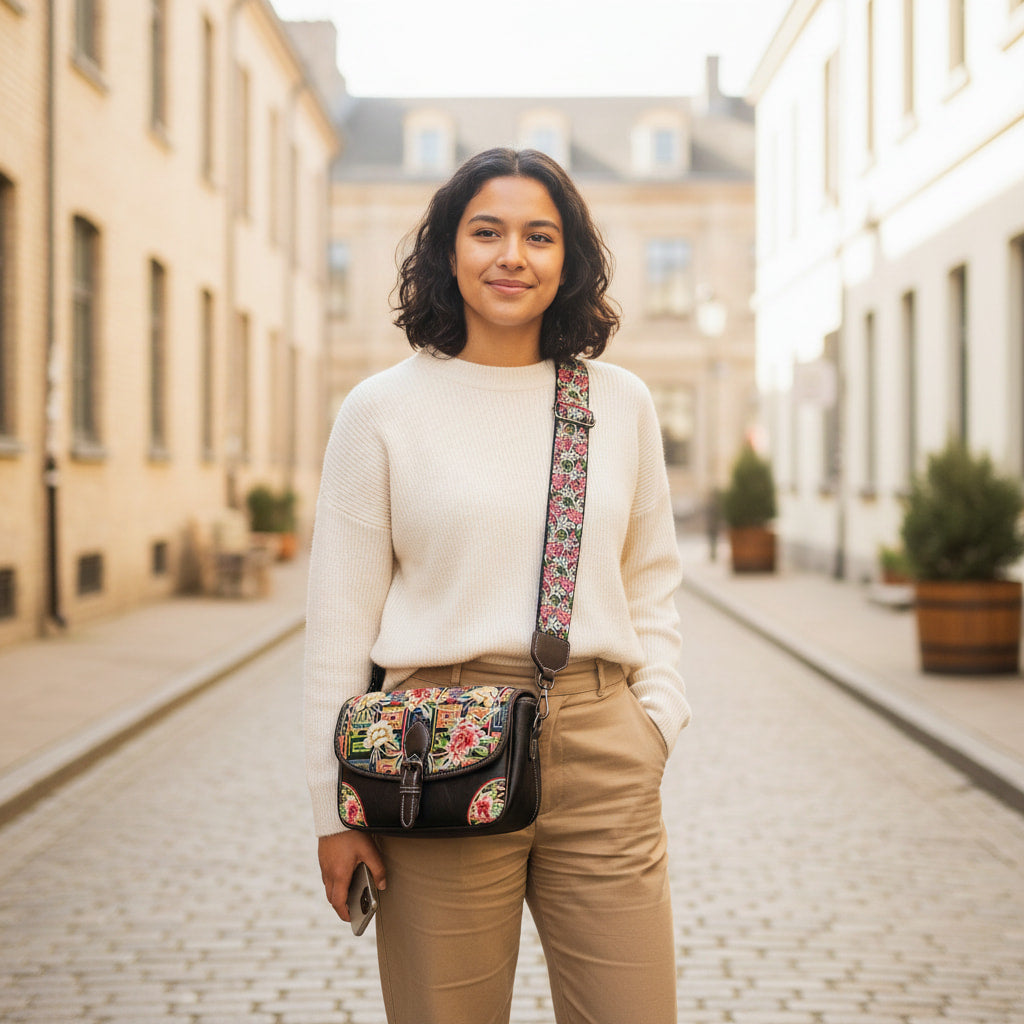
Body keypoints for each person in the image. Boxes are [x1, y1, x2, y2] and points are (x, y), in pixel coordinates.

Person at [303, 147, 692, 1024]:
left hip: (602, 745)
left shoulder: (617, 402)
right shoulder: (381, 410)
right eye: (487, 232)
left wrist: (655, 722)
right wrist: (333, 808)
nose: (512, 255)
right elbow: (338, 623)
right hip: (434, 751)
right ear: (448, 251)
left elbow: (651, 580)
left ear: (569, 259)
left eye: (539, 236)